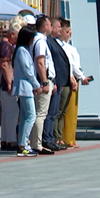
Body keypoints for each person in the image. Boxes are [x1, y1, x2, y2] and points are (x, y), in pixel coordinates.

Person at [58, 20, 90, 148]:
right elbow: (72, 65)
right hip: (70, 79)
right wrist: (80, 77)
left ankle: (69, 137)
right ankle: (67, 138)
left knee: (71, 112)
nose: (70, 33)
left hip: (73, 78)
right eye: (67, 31)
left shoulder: (70, 47)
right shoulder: (65, 48)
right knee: (67, 112)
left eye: (70, 31)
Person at [0, 17, 26, 150]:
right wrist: (9, 83)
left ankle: (6, 140)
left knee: (8, 112)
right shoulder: (7, 45)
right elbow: (4, 64)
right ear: (12, 34)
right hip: (5, 82)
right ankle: (11, 140)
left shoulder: (5, 44)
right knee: (13, 111)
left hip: (3, 82)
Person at [11, 27, 41, 157]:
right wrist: (36, 85)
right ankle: (23, 144)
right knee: (31, 116)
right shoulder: (22, 51)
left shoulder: (23, 50)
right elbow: (27, 70)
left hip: (25, 87)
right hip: (25, 87)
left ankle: (22, 144)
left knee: (24, 116)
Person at [46, 18, 75, 151]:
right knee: (53, 113)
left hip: (62, 81)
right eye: (58, 27)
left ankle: (54, 137)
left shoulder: (55, 43)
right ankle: (50, 138)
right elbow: (51, 63)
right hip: (55, 82)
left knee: (57, 112)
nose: (59, 29)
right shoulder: (49, 42)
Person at [29, 16, 55, 155]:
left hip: (43, 79)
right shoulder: (40, 42)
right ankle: (37, 144)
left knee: (39, 113)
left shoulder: (39, 40)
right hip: (42, 80)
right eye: (50, 25)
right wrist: (45, 81)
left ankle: (35, 142)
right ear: (45, 26)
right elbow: (40, 62)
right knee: (41, 114)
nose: (51, 27)